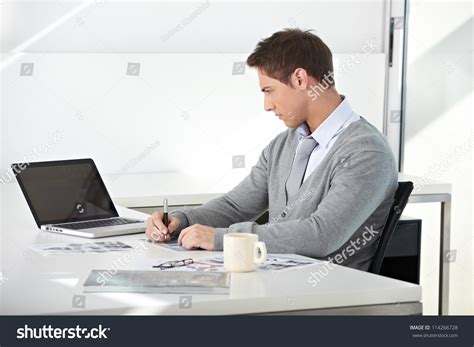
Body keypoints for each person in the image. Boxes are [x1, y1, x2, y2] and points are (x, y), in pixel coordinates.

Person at [146, 28, 397, 270]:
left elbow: (322, 235)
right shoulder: (283, 145)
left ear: (300, 79)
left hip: (323, 294)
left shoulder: (366, 152)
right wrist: (182, 221)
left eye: (269, 91)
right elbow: (235, 207)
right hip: (275, 280)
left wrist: (221, 238)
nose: (267, 105)